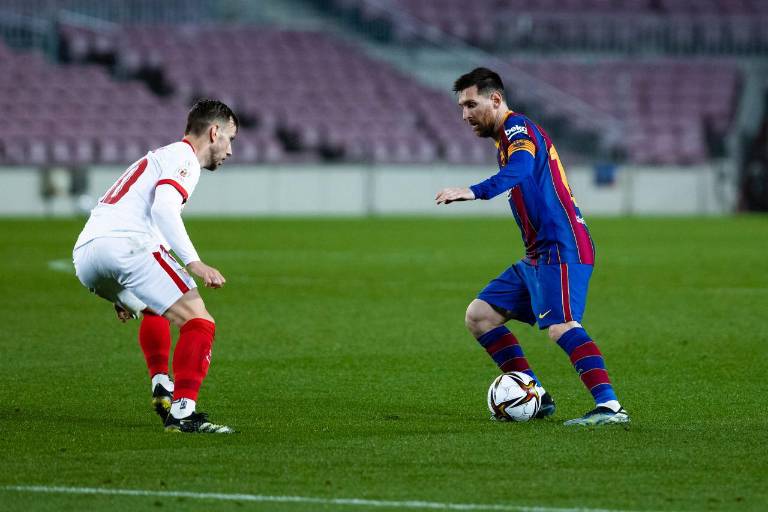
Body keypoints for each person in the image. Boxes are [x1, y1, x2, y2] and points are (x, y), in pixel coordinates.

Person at [435, 68, 629, 426]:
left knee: (562, 326)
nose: (465, 115)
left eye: (471, 105)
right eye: (461, 107)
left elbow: (522, 168)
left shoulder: (517, 129)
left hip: (562, 246)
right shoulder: (504, 139)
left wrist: (474, 190)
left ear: (495, 99)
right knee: (480, 316)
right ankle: (534, 395)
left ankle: (610, 407)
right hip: (537, 255)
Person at [73, 99, 238, 433]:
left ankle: (162, 383)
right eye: (230, 139)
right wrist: (195, 263)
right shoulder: (184, 158)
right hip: (126, 245)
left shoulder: (158, 157)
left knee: (155, 306)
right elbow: (165, 208)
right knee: (199, 322)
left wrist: (118, 291)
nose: (230, 150)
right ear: (214, 131)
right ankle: (182, 414)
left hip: (87, 257)